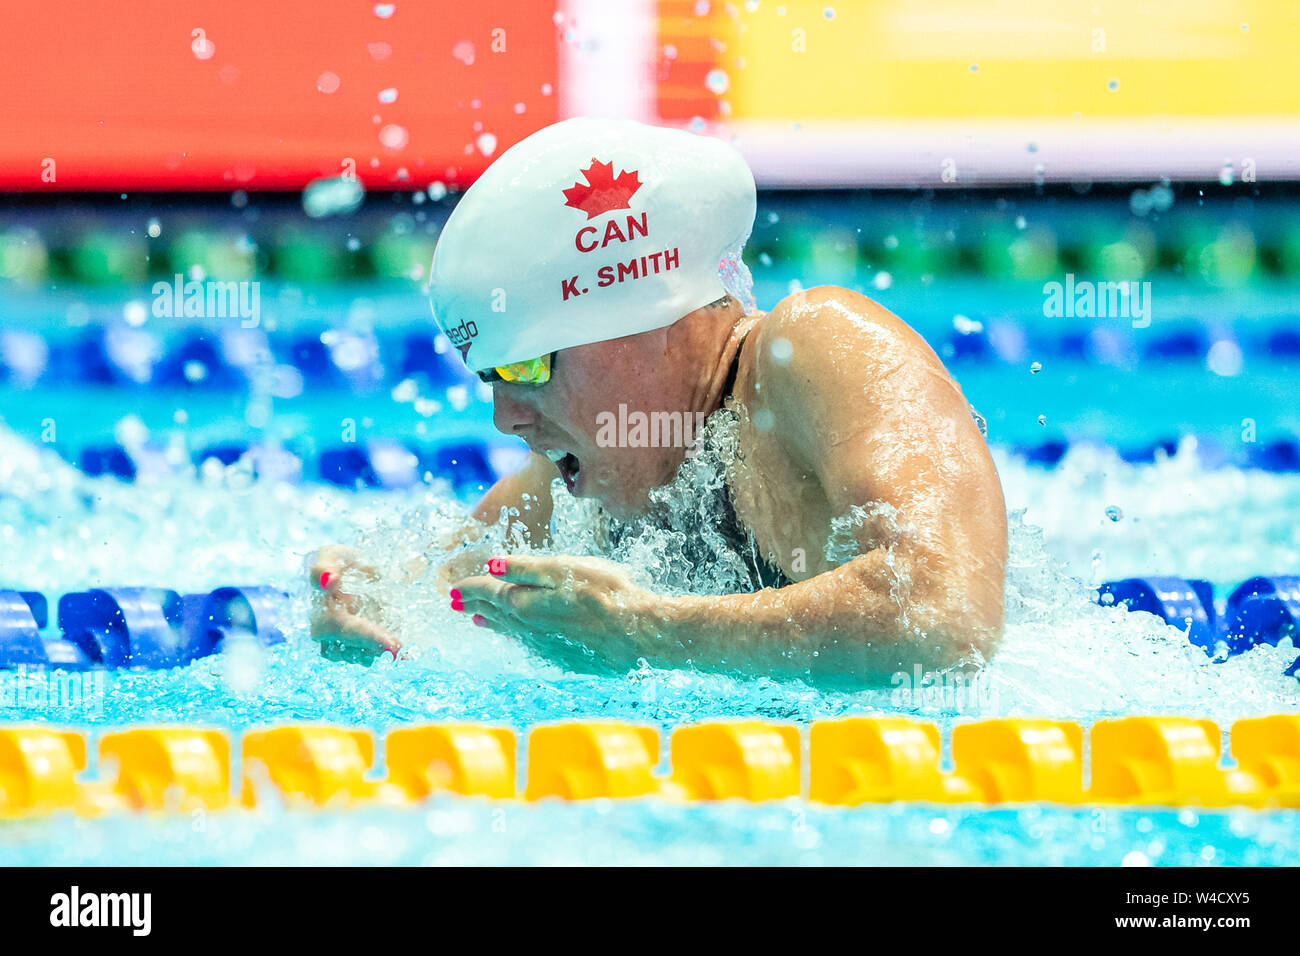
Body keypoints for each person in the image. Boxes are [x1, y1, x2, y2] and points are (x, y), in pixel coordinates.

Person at [311, 117, 1006, 682]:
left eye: (524, 365)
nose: (505, 417)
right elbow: (427, 592)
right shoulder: (596, 472)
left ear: (639, 319)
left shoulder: (818, 347)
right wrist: (359, 608)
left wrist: (651, 630)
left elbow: (946, 620)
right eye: (491, 378)